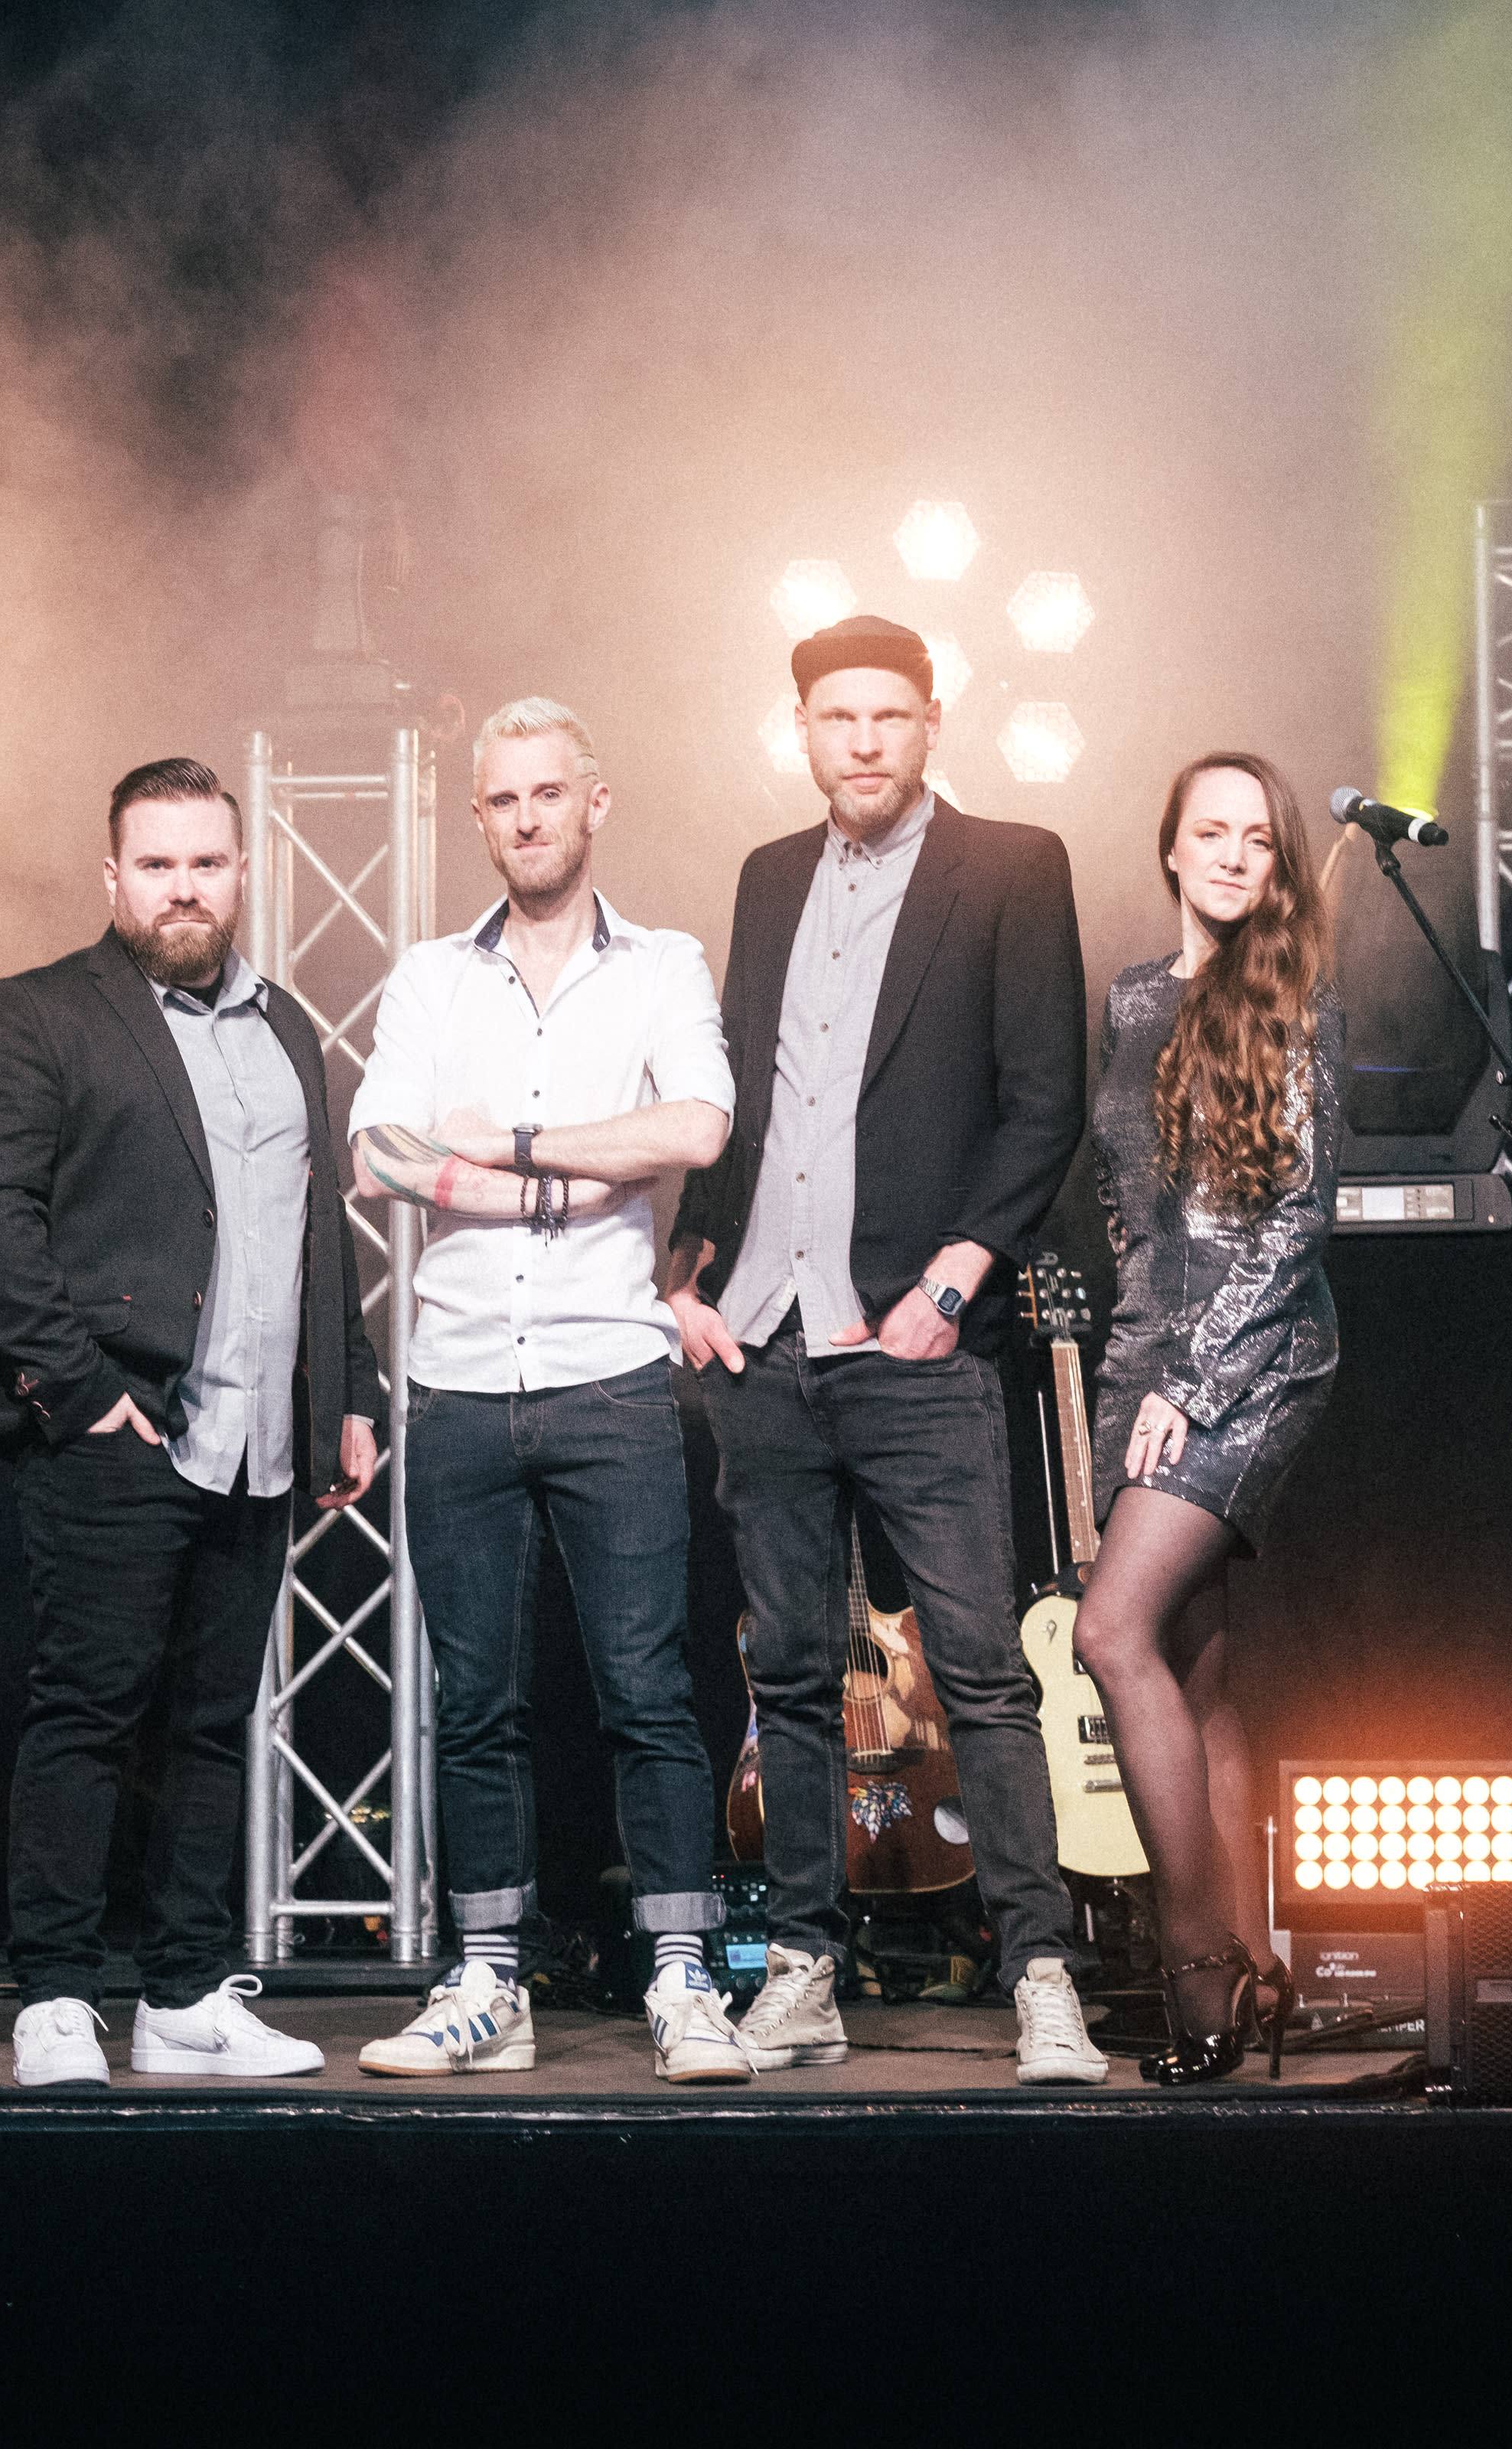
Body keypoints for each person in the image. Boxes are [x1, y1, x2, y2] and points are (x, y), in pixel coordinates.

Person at [663, 614, 1110, 2086]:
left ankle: (1042, 1976)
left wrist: (955, 1279)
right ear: (802, 730)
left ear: (930, 724)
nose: (863, 741)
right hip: (766, 1343)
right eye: (837, 717)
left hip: (915, 1339)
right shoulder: (768, 877)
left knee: (982, 1673)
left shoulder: (1015, 866)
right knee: (791, 1675)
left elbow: (1045, 1099)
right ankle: (802, 1971)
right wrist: (690, 1268)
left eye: (889, 716)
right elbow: (745, 1096)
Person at [0, 757, 384, 2088]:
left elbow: (318, 1231)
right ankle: (56, 1996)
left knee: (212, 1723)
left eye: (205, 863)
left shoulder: (288, 1025)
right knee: (87, 1712)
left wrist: (350, 1395)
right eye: (157, 865)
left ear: (242, 873)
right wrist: (81, 1394)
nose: (183, 888)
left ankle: (185, 1996)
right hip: (123, 1427)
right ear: (113, 877)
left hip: (262, 1438)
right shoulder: (40, 1012)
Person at [344, 698, 751, 2084]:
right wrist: (576, 1177)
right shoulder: (428, 978)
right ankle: (488, 1984)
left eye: (549, 793)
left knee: (648, 1691)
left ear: (595, 801)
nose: (527, 818)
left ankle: (683, 1981)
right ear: (480, 817)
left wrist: (511, 1145)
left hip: (611, 1377)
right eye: (504, 799)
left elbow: (696, 1125)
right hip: (457, 1383)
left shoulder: (664, 964)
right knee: (475, 1703)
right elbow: (379, 1155)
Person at [1074, 750, 1340, 2083]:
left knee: (1109, 1632)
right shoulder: (1131, 997)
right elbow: (1126, 1197)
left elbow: (1296, 1224)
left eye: (1259, 839)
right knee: (1194, 1674)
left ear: (1277, 864)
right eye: (1211, 833)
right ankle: (1262, 1966)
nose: (1234, 856)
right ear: (1172, 847)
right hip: (1142, 1355)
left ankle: (1197, 1971)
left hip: (1256, 1356)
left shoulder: (1295, 1002)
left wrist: (1191, 1381)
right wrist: (1134, 1368)